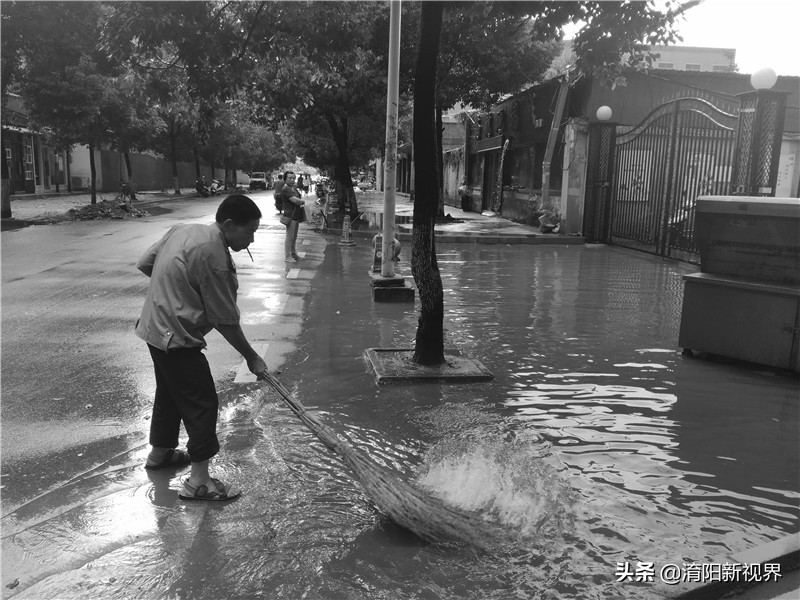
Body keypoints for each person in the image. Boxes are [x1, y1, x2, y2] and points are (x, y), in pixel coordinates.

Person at [135, 194, 267, 502]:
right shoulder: (215, 258)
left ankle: (161, 454)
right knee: (202, 403)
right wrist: (252, 357)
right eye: (250, 231)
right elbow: (225, 320)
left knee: (170, 393)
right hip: (176, 337)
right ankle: (198, 482)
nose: (251, 239)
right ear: (229, 225)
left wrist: (173, 291)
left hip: (152, 328)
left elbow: (145, 264)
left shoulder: (183, 230)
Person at [280, 171, 305, 263]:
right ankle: (287, 256)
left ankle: (293, 254)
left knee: (294, 237)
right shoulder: (285, 189)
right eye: (289, 178)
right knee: (290, 237)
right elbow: (295, 200)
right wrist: (302, 202)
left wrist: (300, 201)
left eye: (293, 178)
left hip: (296, 215)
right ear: (285, 179)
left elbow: (298, 198)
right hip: (290, 215)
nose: (292, 180)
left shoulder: (293, 188)